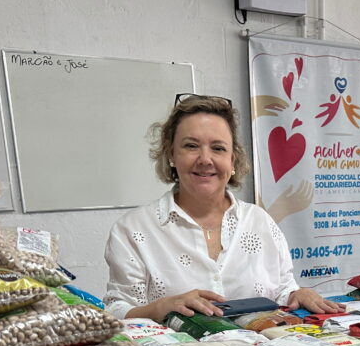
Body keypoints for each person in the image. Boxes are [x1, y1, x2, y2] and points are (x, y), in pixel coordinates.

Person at [104, 94, 342, 321]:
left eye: (218, 148)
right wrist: (160, 308)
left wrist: (296, 294)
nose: (205, 159)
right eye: (191, 146)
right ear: (171, 155)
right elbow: (117, 310)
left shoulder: (259, 221)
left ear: (232, 159)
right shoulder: (133, 229)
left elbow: (282, 289)